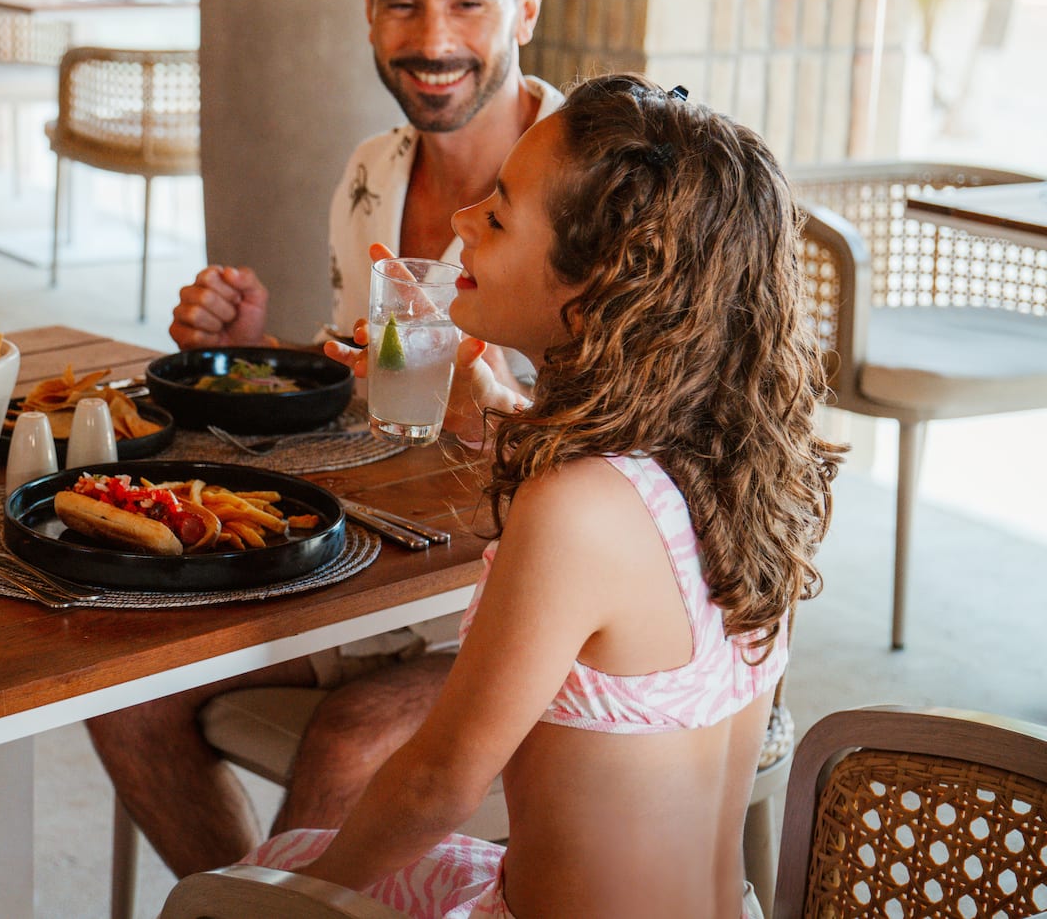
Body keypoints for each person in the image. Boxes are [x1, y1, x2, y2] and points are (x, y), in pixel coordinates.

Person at [245, 74, 840, 916]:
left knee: (272, 873)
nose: (459, 225)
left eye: (497, 213)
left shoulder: (574, 508)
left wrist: (284, 905)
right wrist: (489, 401)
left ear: (601, 283)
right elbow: (629, 538)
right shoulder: (737, 460)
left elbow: (436, 782)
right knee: (295, 847)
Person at [91, 0, 549, 876]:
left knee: (348, 741)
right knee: (121, 684)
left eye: (466, 4)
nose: (431, 42)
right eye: (402, 5)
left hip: (534, 609)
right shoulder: (370, 172)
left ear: (524, 5)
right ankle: (247, 905)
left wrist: (500, 413)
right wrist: (251, 355)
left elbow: (660, 464)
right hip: (370, 573)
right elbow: (360, 373)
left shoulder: (589, 190)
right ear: (366, 8)